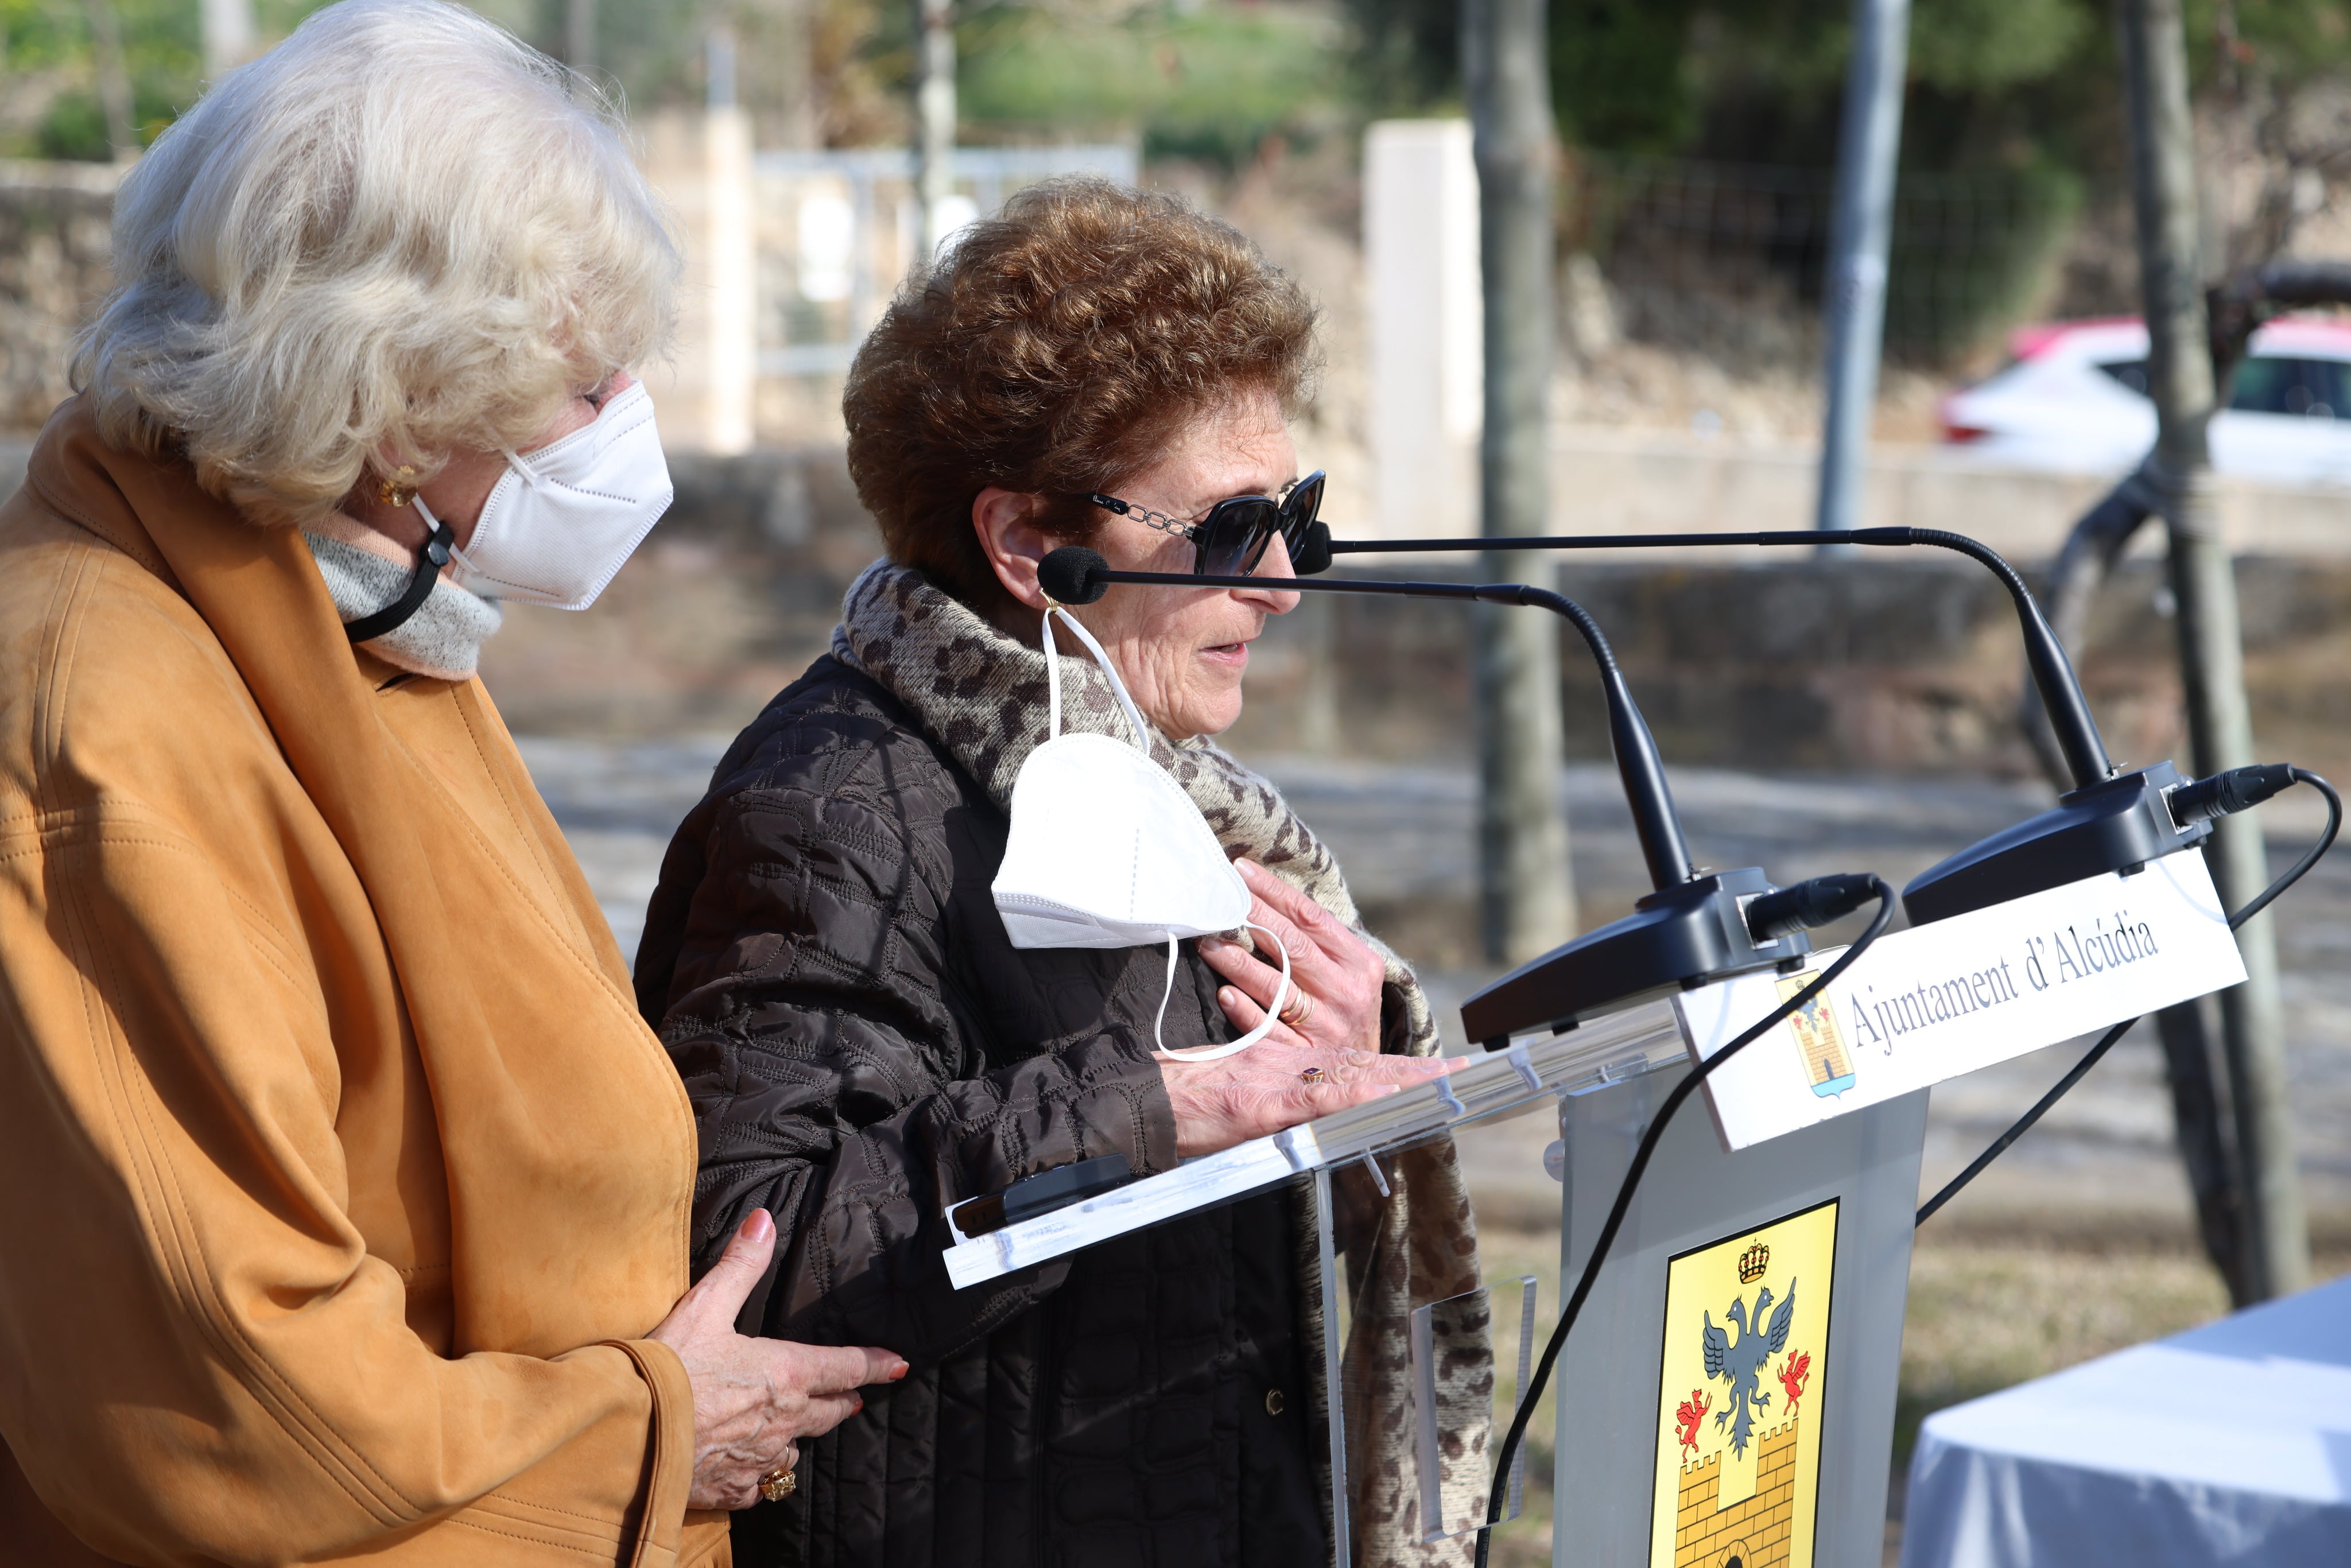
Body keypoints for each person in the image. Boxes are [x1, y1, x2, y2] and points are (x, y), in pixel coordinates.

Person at [0, 5, 899, 1563]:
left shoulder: (345, 614)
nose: (623, 433)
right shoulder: (110, 717)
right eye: (582, 386)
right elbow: (232, 1403)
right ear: (395, 404)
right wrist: (651, 1430)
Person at [634, 178, 1489, 1568]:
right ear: (1031, 544)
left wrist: (1337, 1100)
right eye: (1224, 528)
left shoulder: (1154, 781)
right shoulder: (836, 803)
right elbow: (752, 1259)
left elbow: (1194, 1243)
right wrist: (1153, 1105)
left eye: (1296, 514)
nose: (1278, 585)